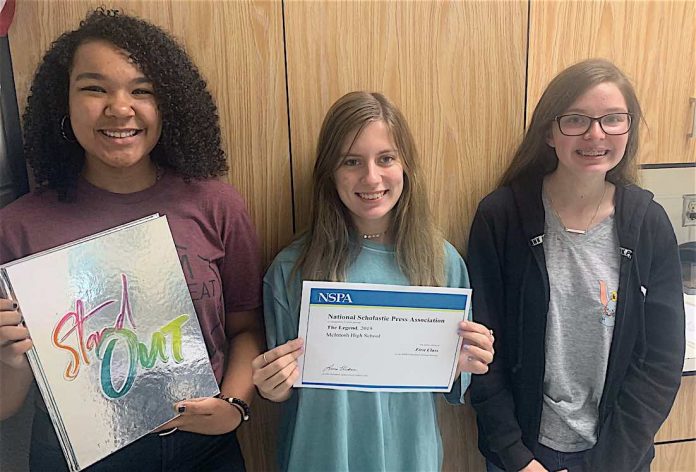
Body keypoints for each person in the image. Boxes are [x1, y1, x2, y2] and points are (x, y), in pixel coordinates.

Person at [0, 8, 264, 471]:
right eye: (94, 87)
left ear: (168, 105)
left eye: (142, 90)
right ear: (63, 102)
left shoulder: (215, 204)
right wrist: (9, 356)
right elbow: (6, 405)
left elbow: (246, 329)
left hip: (203, 451)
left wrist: (234, 409)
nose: (120, 108)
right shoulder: (18, 228)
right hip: (76, 456)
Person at [251, 91, 495, 471]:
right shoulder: (291, 270)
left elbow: (449, 386)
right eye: (351, 161)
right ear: (329, 172)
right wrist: (271, 386)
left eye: (386, 159)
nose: (371, 177)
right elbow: (282, 389)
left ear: (406, 166)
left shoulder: (442, 264)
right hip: (321, 457)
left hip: (408, 456)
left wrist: (465, 362)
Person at [468, 59, 685, 472]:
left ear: (629, 128)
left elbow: (660, 363)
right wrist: (516, 457)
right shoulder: (502, 218)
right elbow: (481, 350)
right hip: (522, 456)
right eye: (576, 120)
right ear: (550, 131)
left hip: (616, 457)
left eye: (612, 120)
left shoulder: (648, 224)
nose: (595, 134)